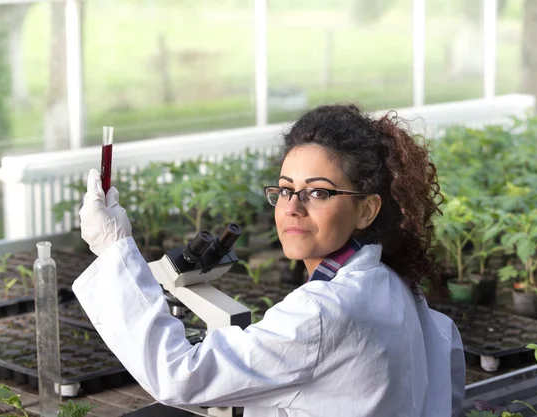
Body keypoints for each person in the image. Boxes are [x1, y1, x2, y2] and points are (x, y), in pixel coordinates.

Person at [73, 104, 465, 417]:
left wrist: (113, 248)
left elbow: (179, 375)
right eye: (284, 190)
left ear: (366, 210)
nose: (292, 207)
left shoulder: (323, 312)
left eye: (319, 193)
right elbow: (445, 367)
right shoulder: (389, 283)